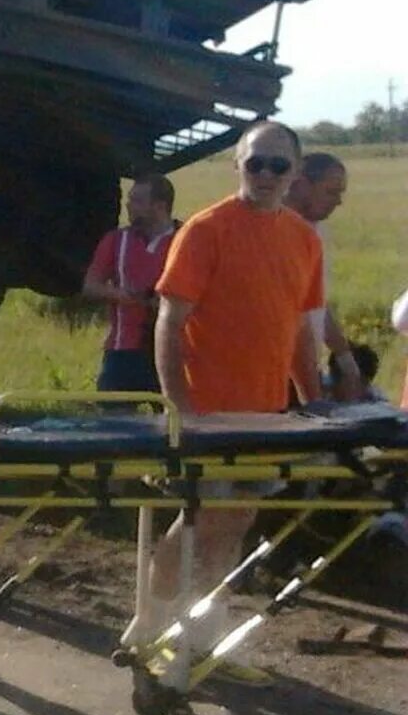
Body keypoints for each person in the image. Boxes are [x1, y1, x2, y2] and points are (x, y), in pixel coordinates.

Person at [146, 121, 323, 667]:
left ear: (294, 172)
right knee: (200, 518)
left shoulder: (303, 238)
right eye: (255, 163)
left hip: (267, 413)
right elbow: (170, 323)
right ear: (237, 166)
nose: (265, 175)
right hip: (208, 412)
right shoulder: (205, 229)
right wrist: (182, 409)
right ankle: (148, 626)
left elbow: (297, 327)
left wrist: (315, 405)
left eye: (277, 165)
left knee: (237, 519)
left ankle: (202, 636)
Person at [82, 174, 177, 393]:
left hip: (172, 349)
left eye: (137, 201)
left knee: (174, 419)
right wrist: (121, 295)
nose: (128, 205)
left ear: (159, 206)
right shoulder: (116, 240)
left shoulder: (185, 239)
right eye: (130, 199)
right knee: (113, 420)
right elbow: (90, 285)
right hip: (122, 349)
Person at [283, 153, 364, 400]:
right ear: (302, 184)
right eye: (331, 192)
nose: (338, 201)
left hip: (307, 370)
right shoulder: (277, 232)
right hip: (278, 375)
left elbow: (316, 304)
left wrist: (346, 361)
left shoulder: (317, 232)